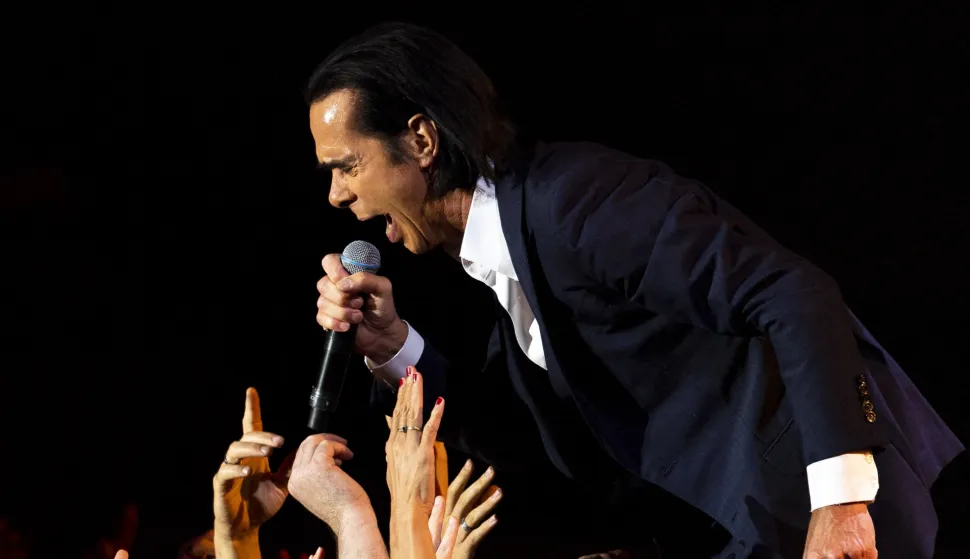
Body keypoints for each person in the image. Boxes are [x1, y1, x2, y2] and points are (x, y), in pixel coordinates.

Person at [307, 21, 965, 558]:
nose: (337, 194)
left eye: (346, 166)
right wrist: (393, 345)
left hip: (828, 519)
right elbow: (512, 426)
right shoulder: (507, 249)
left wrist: (842, 504)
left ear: (420, 140)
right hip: (745, 531)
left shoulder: (576, 204)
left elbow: (794, 294)